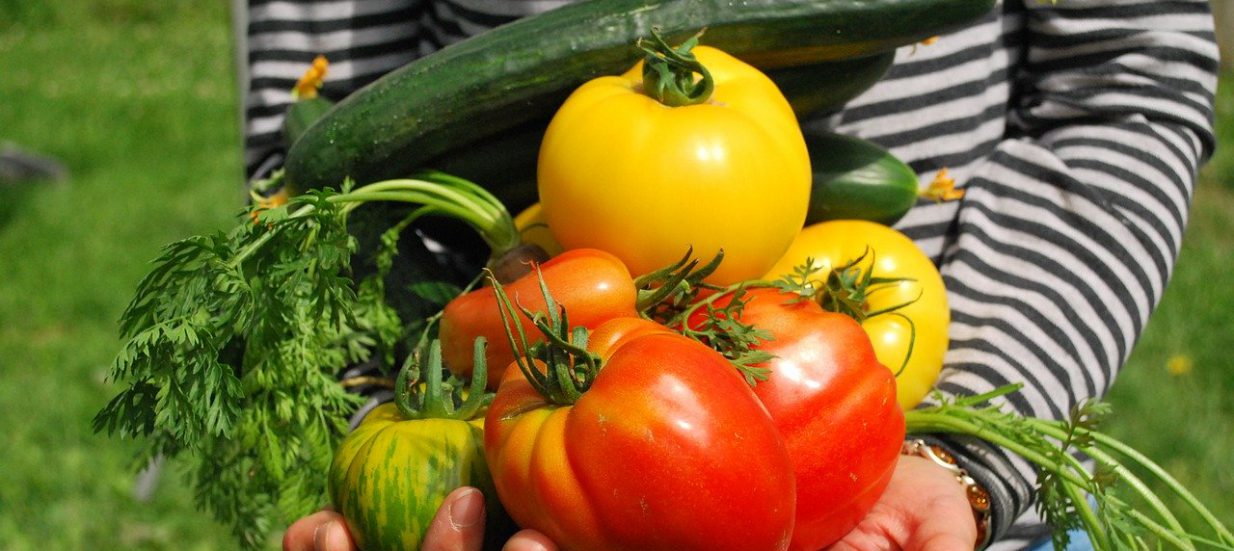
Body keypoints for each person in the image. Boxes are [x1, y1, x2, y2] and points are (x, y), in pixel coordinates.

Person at [237, 1, 1220, 549]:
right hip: (508, 484)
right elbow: (323, 158)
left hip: (938, 494)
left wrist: (965, 462)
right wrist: (386, 434)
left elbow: (1122, 92)